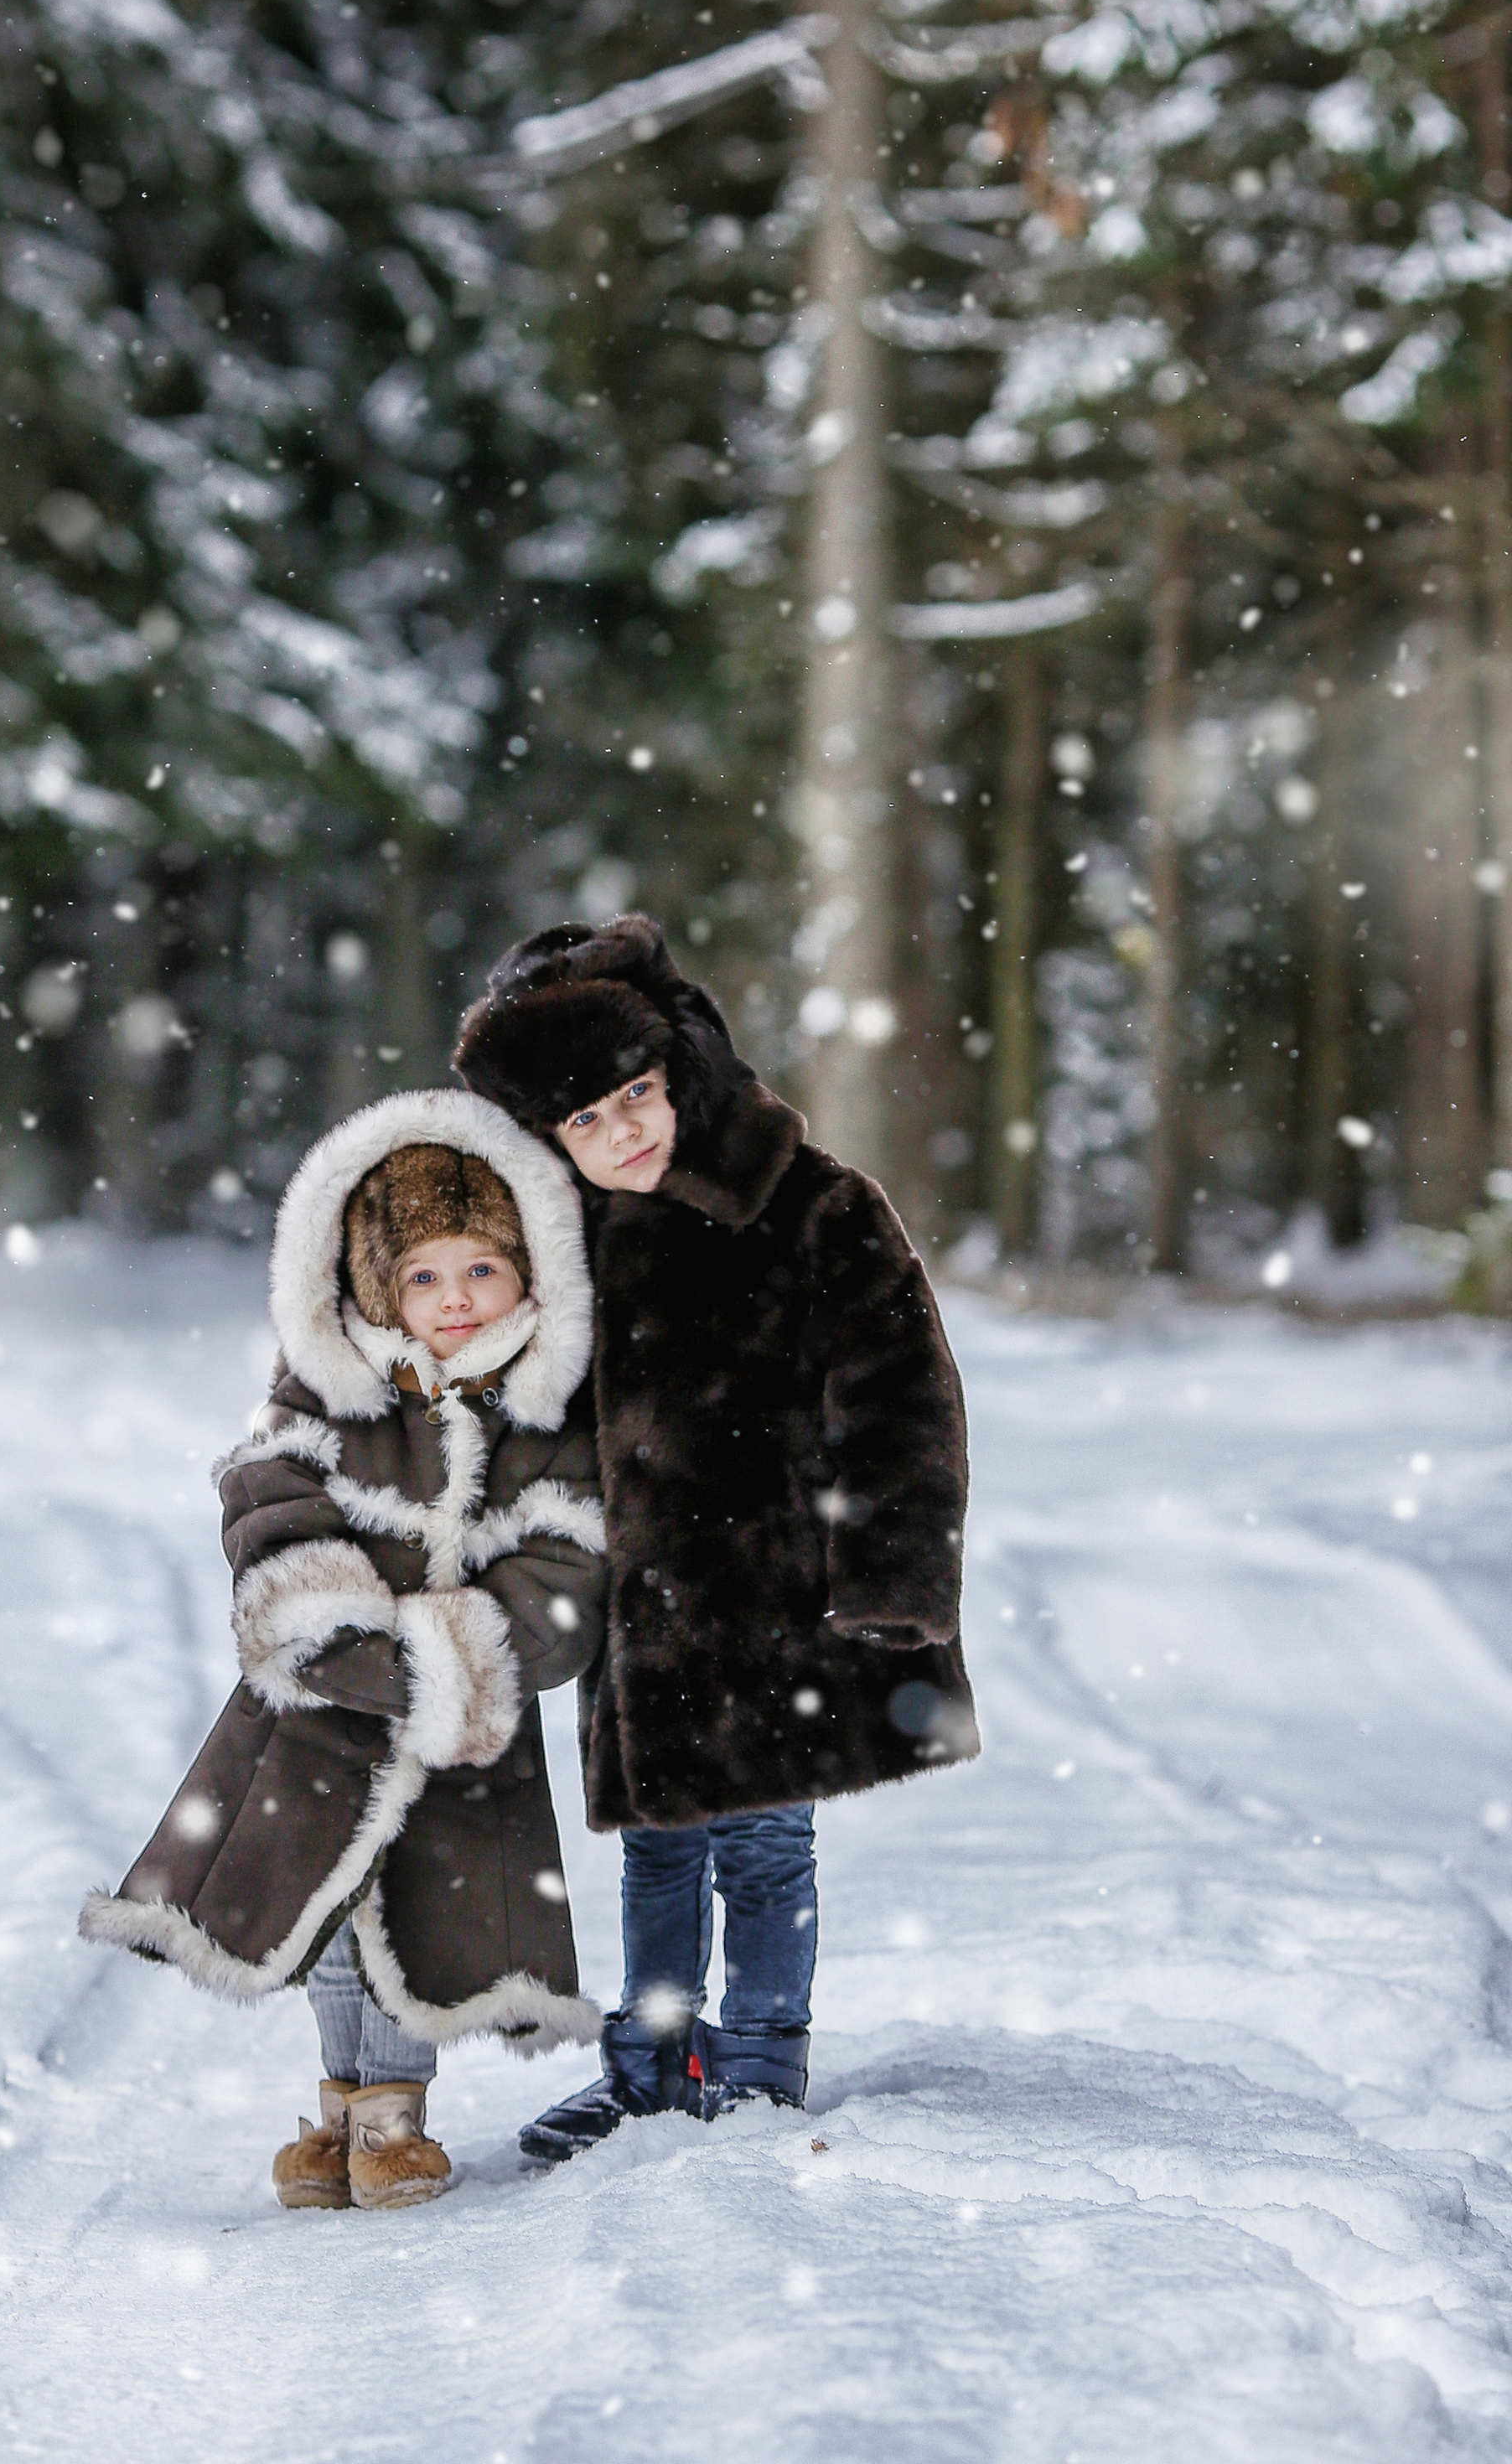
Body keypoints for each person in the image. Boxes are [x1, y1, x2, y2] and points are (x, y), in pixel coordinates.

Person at [452, 913, 976, 2161]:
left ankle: (756, 2060)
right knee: (658, 1852)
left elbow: (904, 1392)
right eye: (584, 1120)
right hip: (643, 1614)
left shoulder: (814, 1208)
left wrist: (893, 1572)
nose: (623, 1132)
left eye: (637, 1095)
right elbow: (521, 1415)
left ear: (682, 1068)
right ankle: (652, 2067)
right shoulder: (563, 1248)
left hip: (784, 1590)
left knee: (766, 1844)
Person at [79, 1090, 606, 2210]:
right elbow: (268, 1507)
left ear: (529, 1274)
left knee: (418, 1918)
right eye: (422, 1276)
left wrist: (445, 1658)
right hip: (317, 1721)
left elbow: (566, 1570)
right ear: (377, 1285)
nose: (452, 1300)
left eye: (480, 1271)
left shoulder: (544, 1412)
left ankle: (392, 2119)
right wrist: (335, 1630)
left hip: (452, 1731)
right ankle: (339, 2112)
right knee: (324, 1915)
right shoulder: (329, 1386)